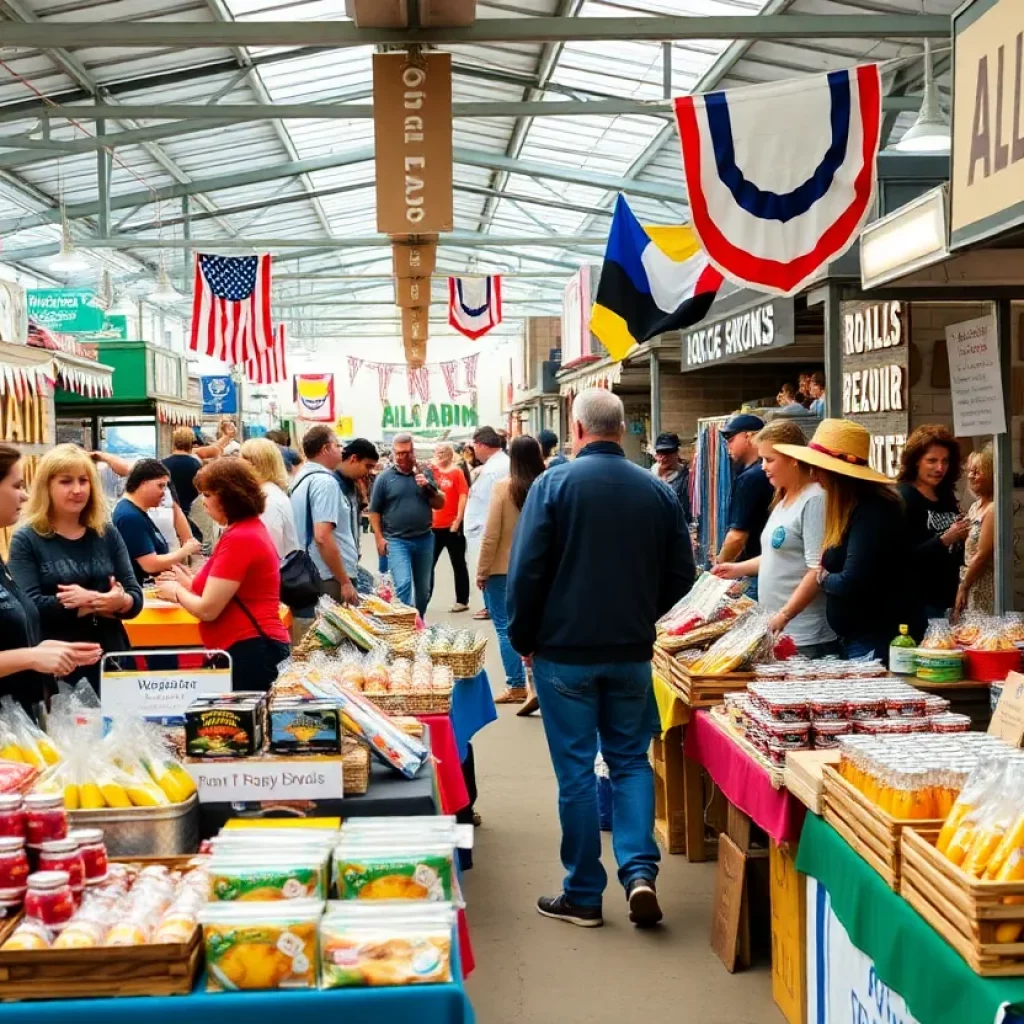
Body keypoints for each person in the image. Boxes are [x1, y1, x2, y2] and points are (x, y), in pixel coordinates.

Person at [507, 389, 694, 930]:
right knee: (631, 761)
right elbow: (681, 579)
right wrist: (643, 619)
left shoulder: (553, 485)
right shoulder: (655, 491)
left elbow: (526, 573)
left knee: (577, 776)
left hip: (564, 653)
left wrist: (524, 636)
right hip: (631, 651)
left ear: (578, 428)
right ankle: (638, 873)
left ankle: (584, 893)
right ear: (620, 431)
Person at [10, 444, 143, 693]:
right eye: (66, 481)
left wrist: (119, 601)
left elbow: (135, 597)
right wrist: (91, 605)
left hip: (112, 659)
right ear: (46, 486)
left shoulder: (106, 533)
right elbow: (30, 608)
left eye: (84, 481)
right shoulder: (27, 539)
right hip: (58, 665)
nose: (77, 490)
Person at [774, 420, 908, 661]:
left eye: (818, 468)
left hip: (871, 638)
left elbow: (851, 581)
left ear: (838, 474)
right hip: (856, 637)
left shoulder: (872, 511)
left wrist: (822, 577)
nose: (813, 475)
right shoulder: (850, 507)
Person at [155, 459, 289, 691]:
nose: (202, 502)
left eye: (207, 495)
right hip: (247, 646)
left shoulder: (240, 537)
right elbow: (221, 590)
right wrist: (185, 580)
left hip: (250, 649)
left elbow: (208, 609)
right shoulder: (243, 530)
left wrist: (176, 591)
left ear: (229, 497)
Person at [713, 421, 840, 658]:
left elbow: (816, 570)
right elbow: (776, 557)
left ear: (793, 458)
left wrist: (785, 614)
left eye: (769, 460)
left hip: (805, 636)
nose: (763, 467)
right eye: (762, 459)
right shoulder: (783, 499)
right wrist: (735, 568)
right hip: (780, 631)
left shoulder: (814, 499)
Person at [0, 444, 102, 714]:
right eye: (17, 485)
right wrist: (30, 657)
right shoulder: (27, 540)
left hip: (20, 727)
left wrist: (42, 650)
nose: (23, 496)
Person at [478, 435, 546, 708]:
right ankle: (540, 684)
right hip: (543, 567)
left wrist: (482, 569)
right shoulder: (547, 484)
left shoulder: (503, 488)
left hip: (504, 568)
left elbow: (491, 534)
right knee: (540, 626)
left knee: (506, 627)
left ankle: (517, 684)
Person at [368, 433, 444, 618]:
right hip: (397, 540)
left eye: (406, 453)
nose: (402, 457)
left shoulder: (424, 472)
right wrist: (379, 537)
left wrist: (428, 487)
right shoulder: (385, 478)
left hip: (424, 538)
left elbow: (440, 503)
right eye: (398, 453)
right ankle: (407, 626)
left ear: (413, 452)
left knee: (423, 589)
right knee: (402, 584)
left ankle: (420, 620)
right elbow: (374, 511)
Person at [897, 425, 967, 625]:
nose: (940, 468)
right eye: (932, 461)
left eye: (945, 461)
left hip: (949, 598)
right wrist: (944, 540)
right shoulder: (903, 498)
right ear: (916, 461)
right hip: (917, 603)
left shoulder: (945, 495)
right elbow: (900, 557)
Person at [290, 426, 359, 608]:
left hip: (313, 573)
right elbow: (322, 536)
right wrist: (344, 581)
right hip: (329, 577)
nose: (342, 450)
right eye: (337, 445)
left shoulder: (301, 479)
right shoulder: (324, 482)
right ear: (326, 449)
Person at [112, 460, 201, 585]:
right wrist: (185, 551)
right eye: (160, 486)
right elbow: (150, 564)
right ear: (143, 484)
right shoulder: (130, 517)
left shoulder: (135, 512)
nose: (164, 493)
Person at [717, 413, 772, 600]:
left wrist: (717, 569)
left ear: (748, 437)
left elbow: (737, 537)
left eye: (731, 439)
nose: (727, 445)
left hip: (756, 571)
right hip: (764, 567)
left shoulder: (752, 477)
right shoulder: (755, 474)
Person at [464, 427, 511, 620]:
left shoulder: (495, 470)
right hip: (486, 532)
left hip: (487, 534)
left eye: (474, 447)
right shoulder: (496, 465)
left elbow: (492, 511)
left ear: (481, 445)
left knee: (502, 623)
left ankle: (491, 607)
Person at [240, 438, 299, 560]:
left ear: (255, 464)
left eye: (242, 460)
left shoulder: (268, 500)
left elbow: (269, 548)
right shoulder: (267, 493)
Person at [334, 439, 380, 593]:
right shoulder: (331, 484)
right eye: (367, 466)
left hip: (348, 562)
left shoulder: (351, 483)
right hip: (336, 568)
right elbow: (323, 534)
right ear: (353, 459)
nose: (368, 472)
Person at [955, 445, 995, 618]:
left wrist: (963, 586)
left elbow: (982, 554)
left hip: (982, 583)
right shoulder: (975, 507)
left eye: (977, 472)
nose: (971, 476)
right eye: (970, 471)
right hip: (970, 580)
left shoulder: (993, 509)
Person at [431, 443, 470, 613]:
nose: (440, 455)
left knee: (458, 563)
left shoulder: (456, 472)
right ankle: (423, 597)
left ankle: (462, 600)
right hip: (433, 526)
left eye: (443, 452)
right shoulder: (432, 472)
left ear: (450, 454)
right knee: (428, 564)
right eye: (437, 452)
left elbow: (463, 495)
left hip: (452, 525)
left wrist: (459, 519)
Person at [162, 428, 203, 534]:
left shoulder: (162, 464)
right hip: (190, 512)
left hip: (168, 511)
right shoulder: (196, 464)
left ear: (174, 442)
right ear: (191, 443)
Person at [650, 432, 691, 522]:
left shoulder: (687, 478)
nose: (664, 457)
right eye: (660, 453)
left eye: (668, 452)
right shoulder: (648, 477)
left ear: (676, 453)